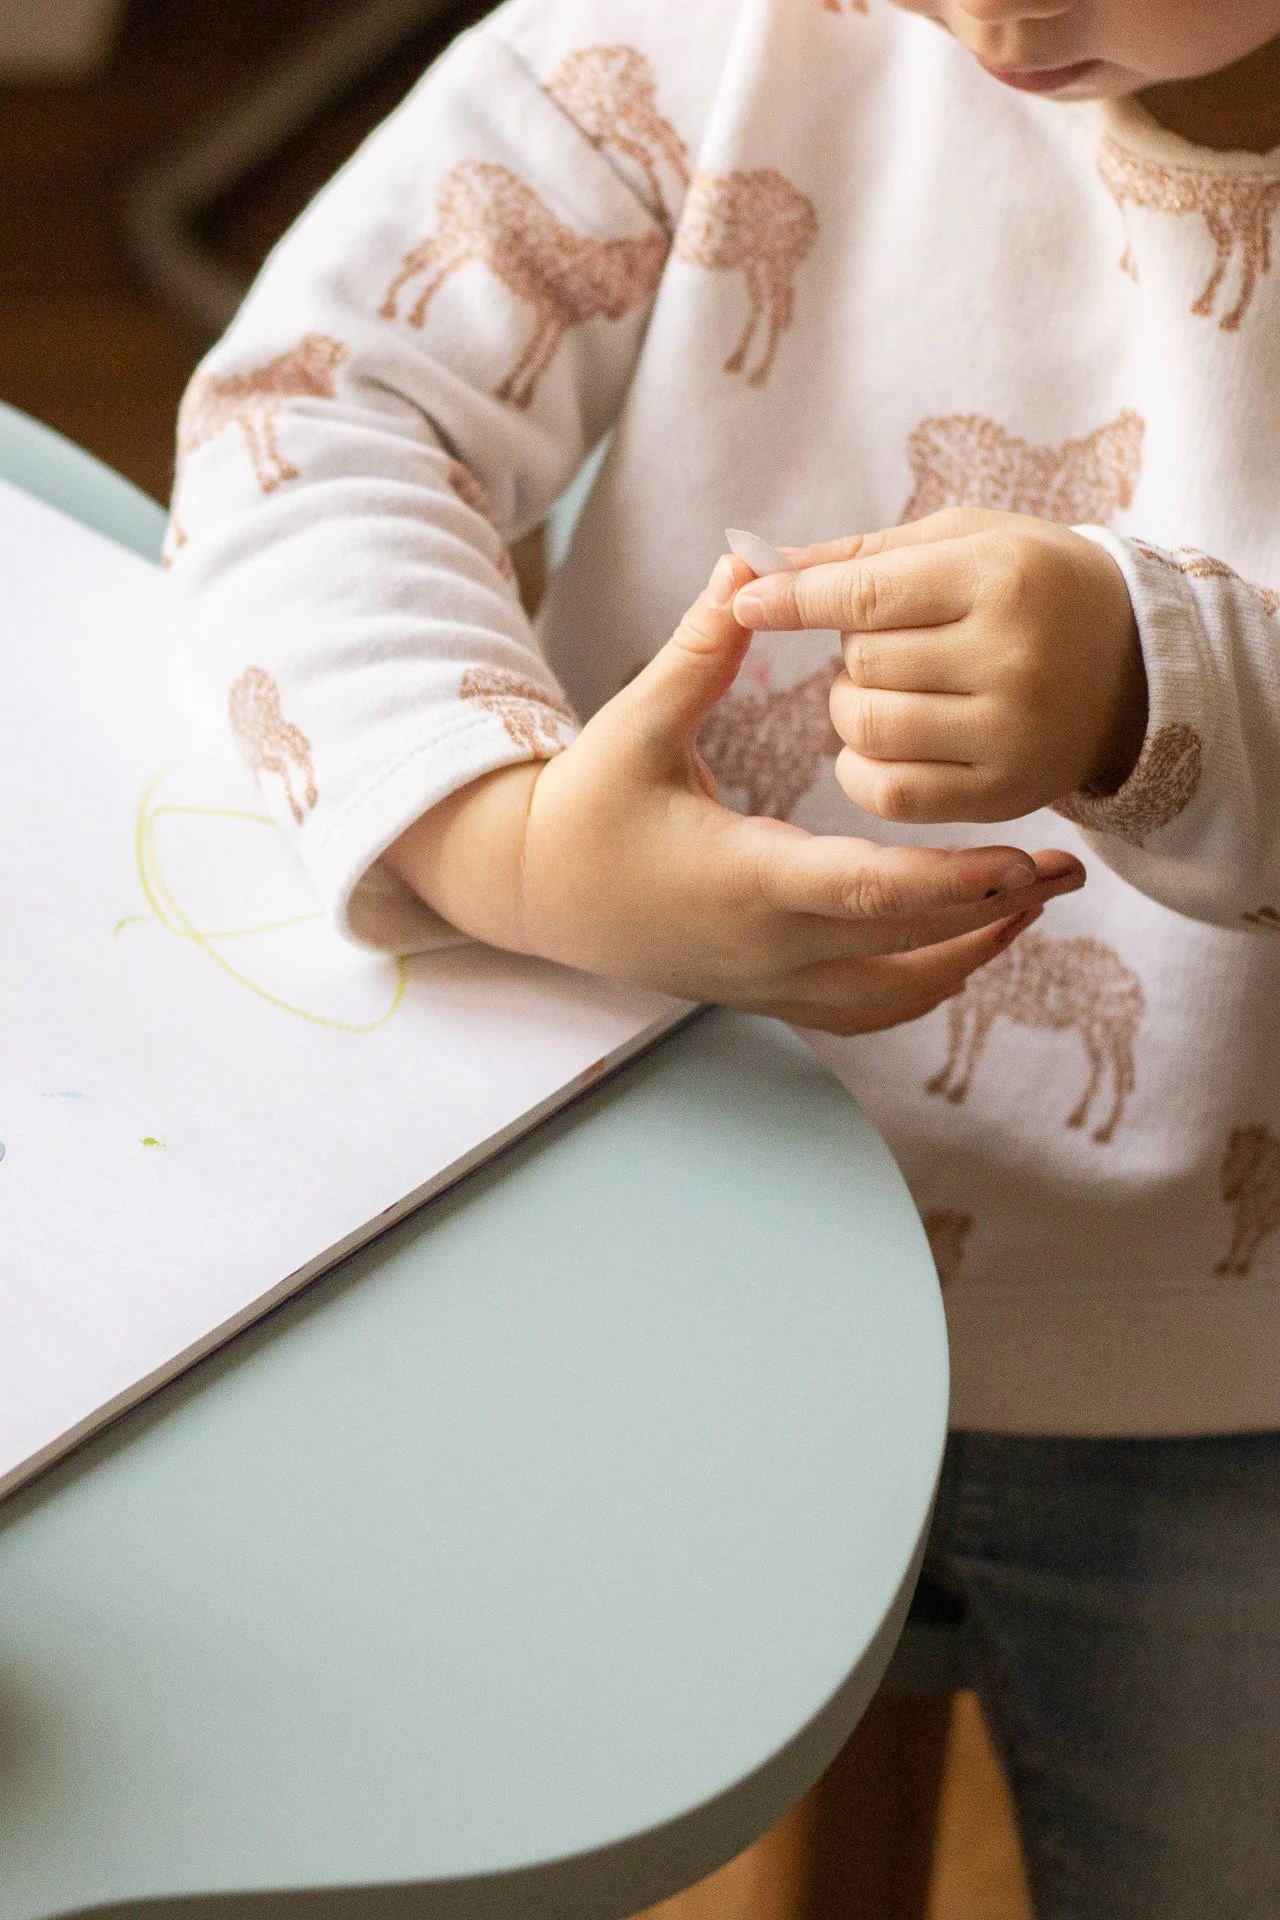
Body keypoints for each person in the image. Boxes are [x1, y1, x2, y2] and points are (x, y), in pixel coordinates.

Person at [169, 0, 1280, 1909]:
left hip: (1224, 1373)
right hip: (664, 1227)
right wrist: (506, 839)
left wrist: (1155, 694)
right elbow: (319, 404)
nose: (1005, 16)